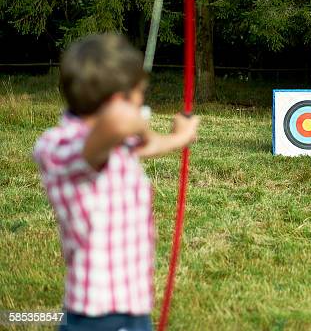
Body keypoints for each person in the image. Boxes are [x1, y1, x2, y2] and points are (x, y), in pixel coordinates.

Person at [33, 34, 200, 331]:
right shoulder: (60, 146)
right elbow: (121, 122)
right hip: (99, 315)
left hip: (130, 304)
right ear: (118, 98)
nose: (141, 100)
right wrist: (139, 122)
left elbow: (141, 144)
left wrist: (181, 137)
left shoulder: (108, 143)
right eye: (140, 92)